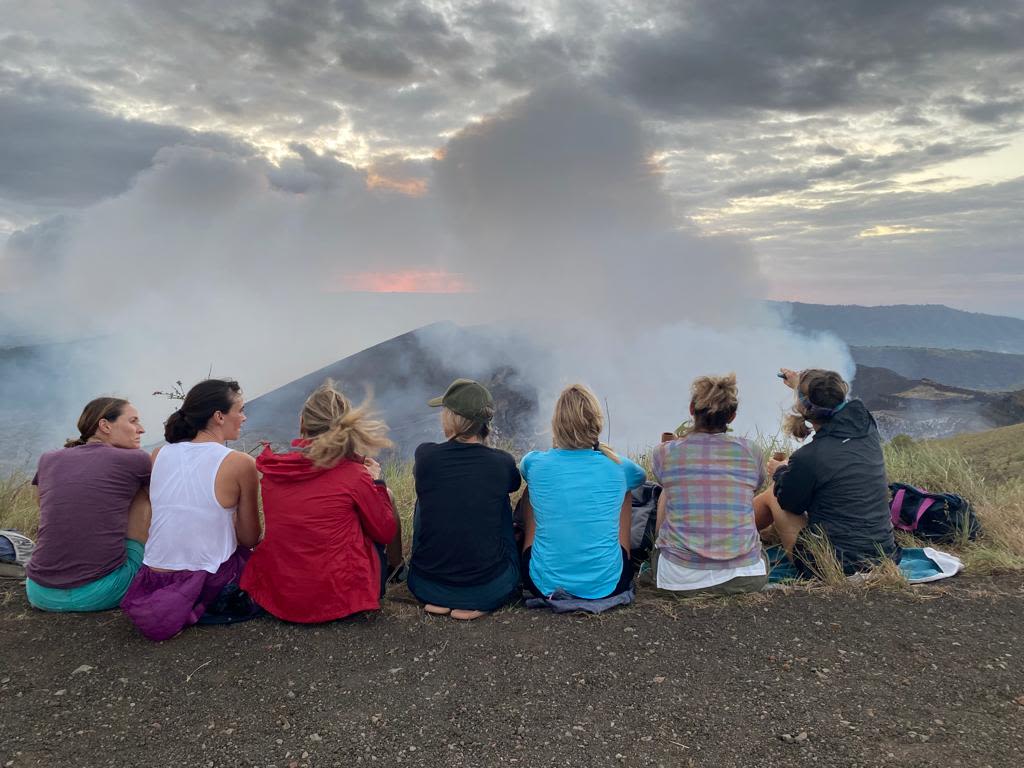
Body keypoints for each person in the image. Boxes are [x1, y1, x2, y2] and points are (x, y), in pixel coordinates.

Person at [240, 381, 400, 623]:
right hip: (341, 596)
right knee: (384, 496)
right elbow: (384, 531)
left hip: (285, 595)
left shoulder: (275, 472)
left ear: (303, 423)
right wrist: (375, 482)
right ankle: (398, 572)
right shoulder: (353, 474)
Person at [121, 379, 262, 641]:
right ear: (219, 416)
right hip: (207, 580)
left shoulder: (159, 454)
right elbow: (250, 538)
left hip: (153, 579)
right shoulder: (241, 463)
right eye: (240, 410)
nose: (243, 417)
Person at [754, 368, 900, 577]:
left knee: (772, 494)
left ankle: (728, 539)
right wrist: (800, 386)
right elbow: (833, 404)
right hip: (884, 555)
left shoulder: (809, 457)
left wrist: (780, 472)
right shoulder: (867, 427)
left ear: (804, 408)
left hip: (835, 563)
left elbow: (790, 504)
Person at [518, 384, 646, 600]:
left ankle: (534, 550)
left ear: (556, 425)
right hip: (609, 584)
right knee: (625, 491)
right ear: (596, 423)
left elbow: (528, 471)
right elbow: (640, 477)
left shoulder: (534, 463)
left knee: (532, 490)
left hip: (541, 583)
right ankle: (620, 556)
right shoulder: (620, 467)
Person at [408, 378, 522, 620]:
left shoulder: (426, 455)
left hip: (425, 585)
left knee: (427, 493)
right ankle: (470, 593)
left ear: (452, 418)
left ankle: (443, 593)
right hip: (491, 588)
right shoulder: (501, 462)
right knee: (499, 496)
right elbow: (514, 484)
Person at [25, 398, 152, 611]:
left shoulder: (49, 458)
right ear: (105, 426)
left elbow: (43, 503)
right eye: (133, 421)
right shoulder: (135, 459)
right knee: (143, 493)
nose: (141, 429)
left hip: (39, 592)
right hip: (99, 592)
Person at [650, 374, 768, 595]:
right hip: (745, 577)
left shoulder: (664, 453)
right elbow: (756, 487)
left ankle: (661, 544)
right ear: (732, 417)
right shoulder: (751, 451)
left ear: (692, 409)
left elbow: (664, 479)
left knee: (669, 489)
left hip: (678, 578)